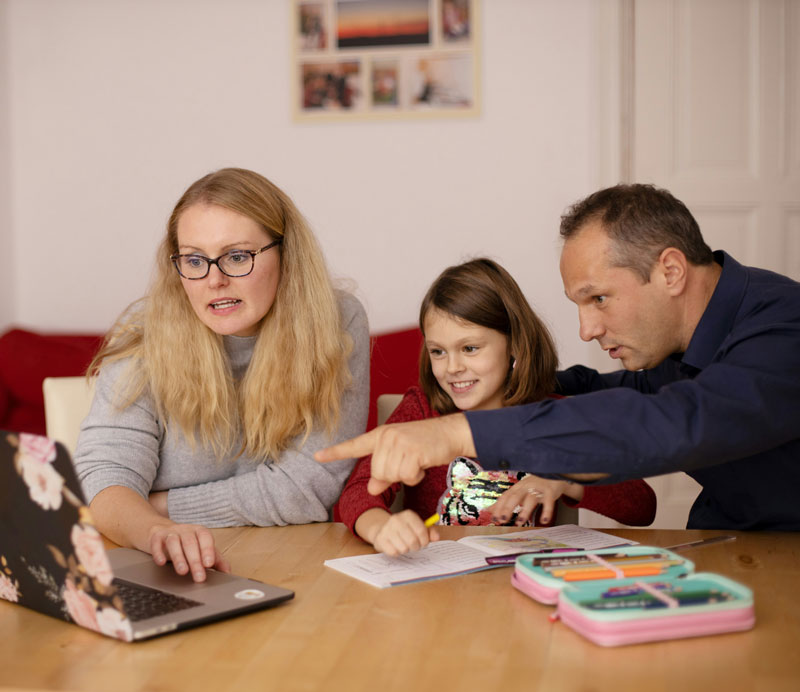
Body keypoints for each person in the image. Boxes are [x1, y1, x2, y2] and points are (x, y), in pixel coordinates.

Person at [317, 184, 800, 532]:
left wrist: (459, 431)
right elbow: (590, 390)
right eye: (578, 305)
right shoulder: (668, 350)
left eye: (599, 299)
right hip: (728, 541)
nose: (586, 330)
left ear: (670, 271)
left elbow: (679, 420)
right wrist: (500, 387)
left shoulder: (784, 327)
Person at [74, 167, 369, 581]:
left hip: (293, 567)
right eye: (194, 260)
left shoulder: (336, 321)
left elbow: (310, 488)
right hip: (162, 568)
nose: (214, 280)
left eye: (236, 256)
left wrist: (157, 505)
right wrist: (157, 530)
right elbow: (103, 481)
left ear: (286, 254)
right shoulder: (146, 333)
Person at [337, 259, 656, 555]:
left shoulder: (553, 418)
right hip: (437, 591)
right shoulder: (421, 410)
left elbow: (642, 506)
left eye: (470, 348)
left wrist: (567, 477)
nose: (452, 367)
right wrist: (381, 527)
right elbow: (356, 493)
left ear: (514, 344)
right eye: (438, 352)